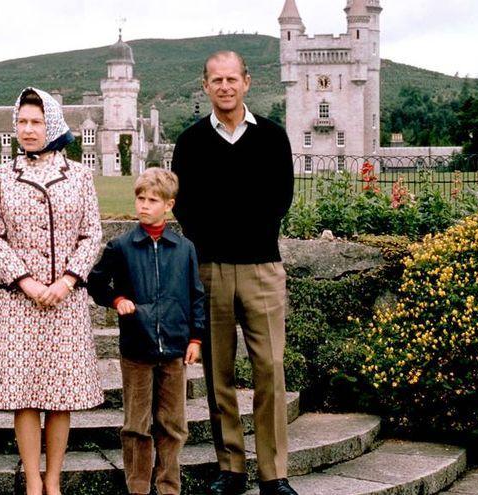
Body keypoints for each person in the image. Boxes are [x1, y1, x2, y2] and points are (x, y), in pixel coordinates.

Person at [170, 51, 297, 495]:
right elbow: (185, 207)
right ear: (205, 86)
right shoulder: (190, 143)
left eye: (232, 79)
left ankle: (273, 473)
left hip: (262, 266)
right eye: (216, 80)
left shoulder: (273, 138)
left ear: (247, 82)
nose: (225, 86)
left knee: (270, 369)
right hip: (210, 269)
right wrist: (216, 234)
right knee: (218, 373)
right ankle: (231, 468)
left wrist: (240, 225)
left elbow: (280, 199)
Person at [0, 87, 103, 495]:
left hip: (66, 301)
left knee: (61, 393)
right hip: (19, 301)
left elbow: (91, 234)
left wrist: (67, 280)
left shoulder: (80, 176)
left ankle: (54, 481)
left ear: (51, 123)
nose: (28, 130)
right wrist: (27, 282)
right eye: (22, 122)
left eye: (35, 122)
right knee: (25, 394)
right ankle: (33, 480)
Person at [87, 168, 205, 495]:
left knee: (173, 425)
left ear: (168, 205)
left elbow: (196, 295)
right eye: (140, 198)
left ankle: (169, 487)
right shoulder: (121, 246)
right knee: (137, 426)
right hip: (136, 351)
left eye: (152, 200)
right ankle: (137, 487)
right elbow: (95, 283)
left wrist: (196, 338)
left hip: (174, 352)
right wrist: (117, 299)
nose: (144, 205)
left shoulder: (185, 249)